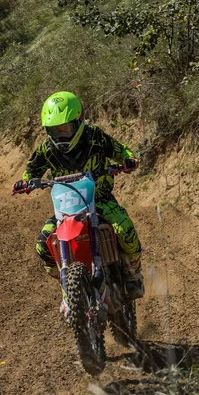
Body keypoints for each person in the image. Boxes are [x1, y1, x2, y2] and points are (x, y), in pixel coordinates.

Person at [12, 91, 145, 300]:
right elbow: (32, 168)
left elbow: (120, 150)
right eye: (54, 130)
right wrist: (25, 181)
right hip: (67, 208)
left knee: (125, 229)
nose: (61, 135)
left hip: (100, 200)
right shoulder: (47, 149)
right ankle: (71, 285)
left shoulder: (95, 138)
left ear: (79, 120)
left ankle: (132, 274)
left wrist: (129, 159)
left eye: (65, 128)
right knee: (42, 247)